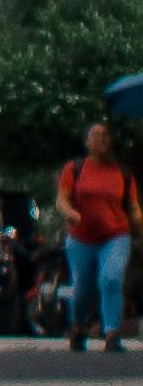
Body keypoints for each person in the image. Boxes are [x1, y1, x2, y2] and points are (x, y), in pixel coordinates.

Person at [56, 118, 133, 352]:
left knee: (111, 279)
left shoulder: (122, 173)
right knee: (83, 288)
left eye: (106, 136)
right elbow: (62, 199)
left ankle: (111, 333)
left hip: (115, 236)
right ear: (87, 141)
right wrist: (70, 212)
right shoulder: (75, 169)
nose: (102, 139)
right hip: (81, 239)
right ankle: (78, 326)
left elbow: (134, 208)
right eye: (96, 135)